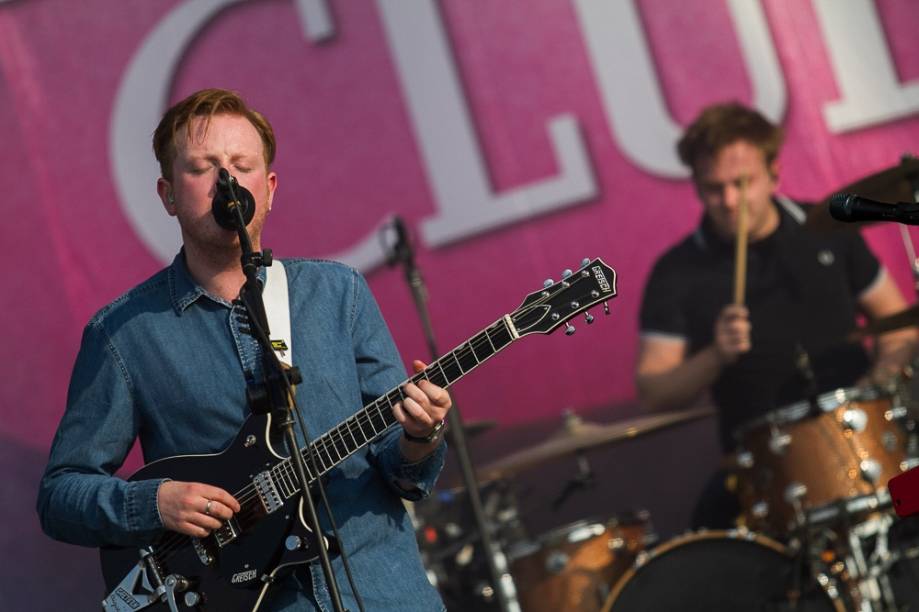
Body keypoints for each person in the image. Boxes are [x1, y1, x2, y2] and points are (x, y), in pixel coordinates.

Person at [36, 89, 451, 611]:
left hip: (385, 595)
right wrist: (154, 502)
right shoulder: (124, 333)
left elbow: (401, 472)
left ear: (269, 187)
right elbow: (60, 496)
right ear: (167, 195)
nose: (226, 181)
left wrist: (420, 435)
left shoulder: (337, 293)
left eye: (241, 164)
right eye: (203, 167)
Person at [635, 101, 917, 529]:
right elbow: (654, 391)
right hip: (761, 468)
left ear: (774, 174)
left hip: (861, 435)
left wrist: (879, 384)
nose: (730, 201)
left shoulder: (827, 229)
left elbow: (898, 323)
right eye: (714, 188)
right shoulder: (677, 273)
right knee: (705, 536)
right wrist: (715, 355)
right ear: (695, 187)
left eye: (742, 182)